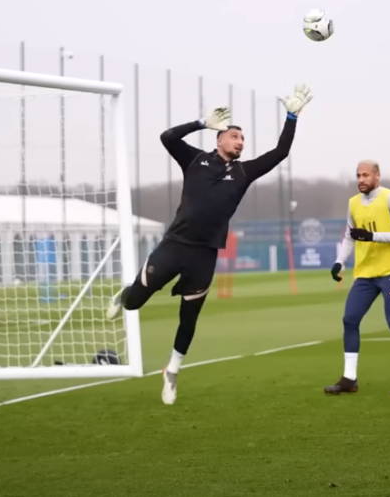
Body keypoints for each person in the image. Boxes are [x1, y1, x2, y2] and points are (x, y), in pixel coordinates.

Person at [106, 84, 313, 405]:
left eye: (243, 139)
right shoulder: (194, 160)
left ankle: (172, 370)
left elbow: (280, 153)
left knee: (189, 317)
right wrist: (200, 123)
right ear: (219, 140)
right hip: (174, 245)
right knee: (134, 304)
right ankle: (124, 295)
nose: (240, 142)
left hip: (205, 255)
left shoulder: (244, 172)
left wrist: (291, 117)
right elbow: (167, 138)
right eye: (234, 136)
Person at [324, 160, 390, 396]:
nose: (361, 180)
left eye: (365, 175)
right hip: (365, 275)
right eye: (358, 175)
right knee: (350, 319)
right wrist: (339, 261)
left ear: (377, 176)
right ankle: (349, 379)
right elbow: (349, 236)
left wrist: (372, 236)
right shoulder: (353, 203)